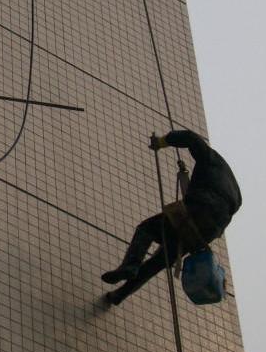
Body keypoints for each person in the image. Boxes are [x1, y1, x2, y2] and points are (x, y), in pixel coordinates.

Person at [102, 130, 242, 305]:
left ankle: (130, 266)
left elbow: (191, 138)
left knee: (146, 229)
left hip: (200, 210)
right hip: (207, 232)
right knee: (158, 261)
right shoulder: (235, 193)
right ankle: (118, 295)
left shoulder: (211, 159)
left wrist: (161, 142)